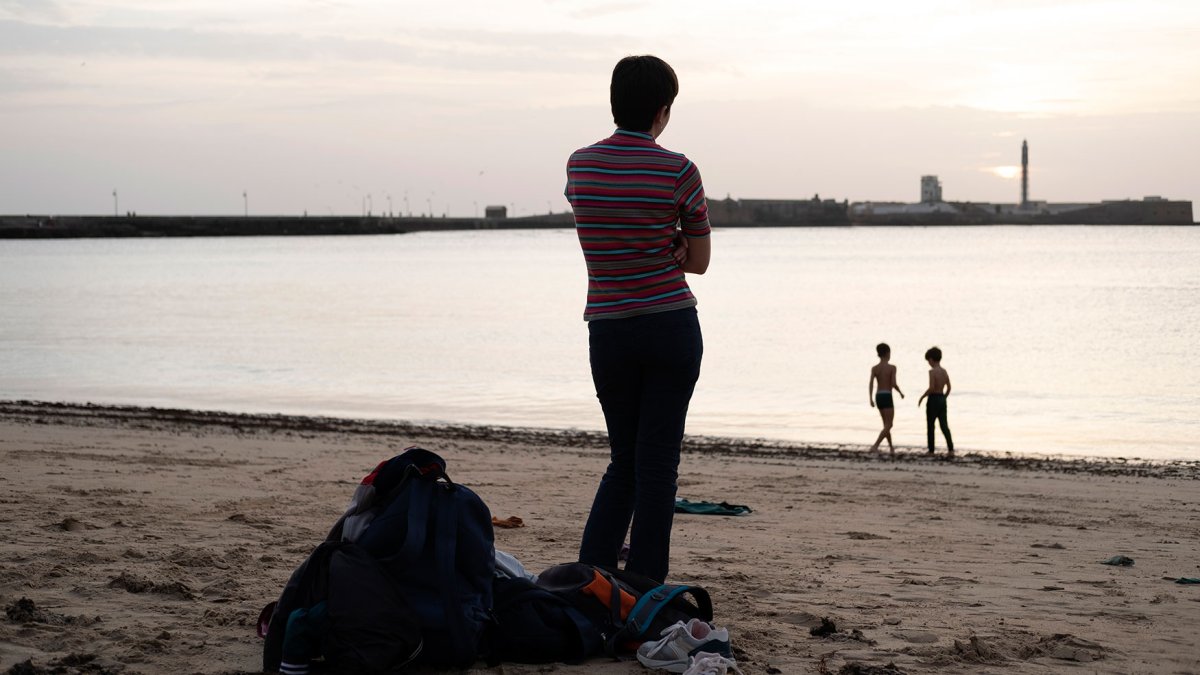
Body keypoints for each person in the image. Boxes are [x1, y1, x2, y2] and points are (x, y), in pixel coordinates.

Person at [565, 54, 712, 583]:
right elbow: (698, 262)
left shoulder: (579, 165)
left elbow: (603, 229)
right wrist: (672, 243)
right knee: (657, 470)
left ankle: (591, 578)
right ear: (663, 111)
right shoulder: (680, 170)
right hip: (671, 326)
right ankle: (645, 584)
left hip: (609, 330)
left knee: (623, 461)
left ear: (613, 102)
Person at [917, 346, 954, 457]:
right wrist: (944, 397)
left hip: (933, 399)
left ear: (932, 359)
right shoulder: (944, 371)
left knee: (930, 425)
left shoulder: (932, 372)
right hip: (942, 398)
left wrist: (923, 396)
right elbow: (949, 387)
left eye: (928, 360)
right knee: (944, 425)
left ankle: (931, 450)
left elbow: (932, 387)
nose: (928, 363)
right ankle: (951, 449)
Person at [869, 343, 904, 454]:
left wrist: (870, 398)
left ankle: (891, 448)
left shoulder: (875, 368)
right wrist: (900, 393)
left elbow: (870, 383)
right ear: (887, 353)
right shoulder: (892, 368)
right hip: (887, 395)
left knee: (886, 425)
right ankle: (875, 446)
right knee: (889, 424)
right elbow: (893, 384)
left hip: (878, 395)